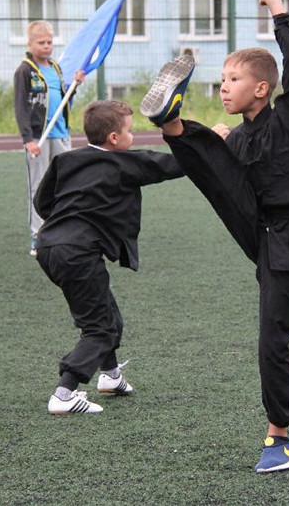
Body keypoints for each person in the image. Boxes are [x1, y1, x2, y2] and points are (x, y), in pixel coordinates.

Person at [140, 0, 289, 472]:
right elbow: (217, 178)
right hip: (260, 231)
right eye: (221, 79)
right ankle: (174, 125)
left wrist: (279, 11)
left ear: (261, 88)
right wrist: (212, 143)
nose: (224, 87)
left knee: (271, 338)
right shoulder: (238, 135)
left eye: (234, 79)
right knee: (216, 155)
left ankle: (280, 437)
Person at [34, 100, 184, 414]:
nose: (134, 137)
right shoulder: (124, 163)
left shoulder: (65, 160)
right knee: (99, 328)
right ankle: (64, 392)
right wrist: (211, 141)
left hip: (49, 247)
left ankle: (110, 376)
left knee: (107, 314)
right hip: (78, 253)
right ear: (114, 139)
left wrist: (68, 222)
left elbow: (42, 202)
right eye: (130, 131)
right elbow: (174, 166)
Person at [13, 20, 85, 256]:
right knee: (39, 186)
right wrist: (28, 138)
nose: (46, 46)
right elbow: (21, 107)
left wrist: (74, 85)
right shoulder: (25, 70)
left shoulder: (55, 67)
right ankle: (37, 235)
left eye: (49, 42)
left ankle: (62, 230)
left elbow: (63, 97)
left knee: (66, 183)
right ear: (30, 44)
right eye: (41, 42)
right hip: (39, 138)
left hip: (61, 134)